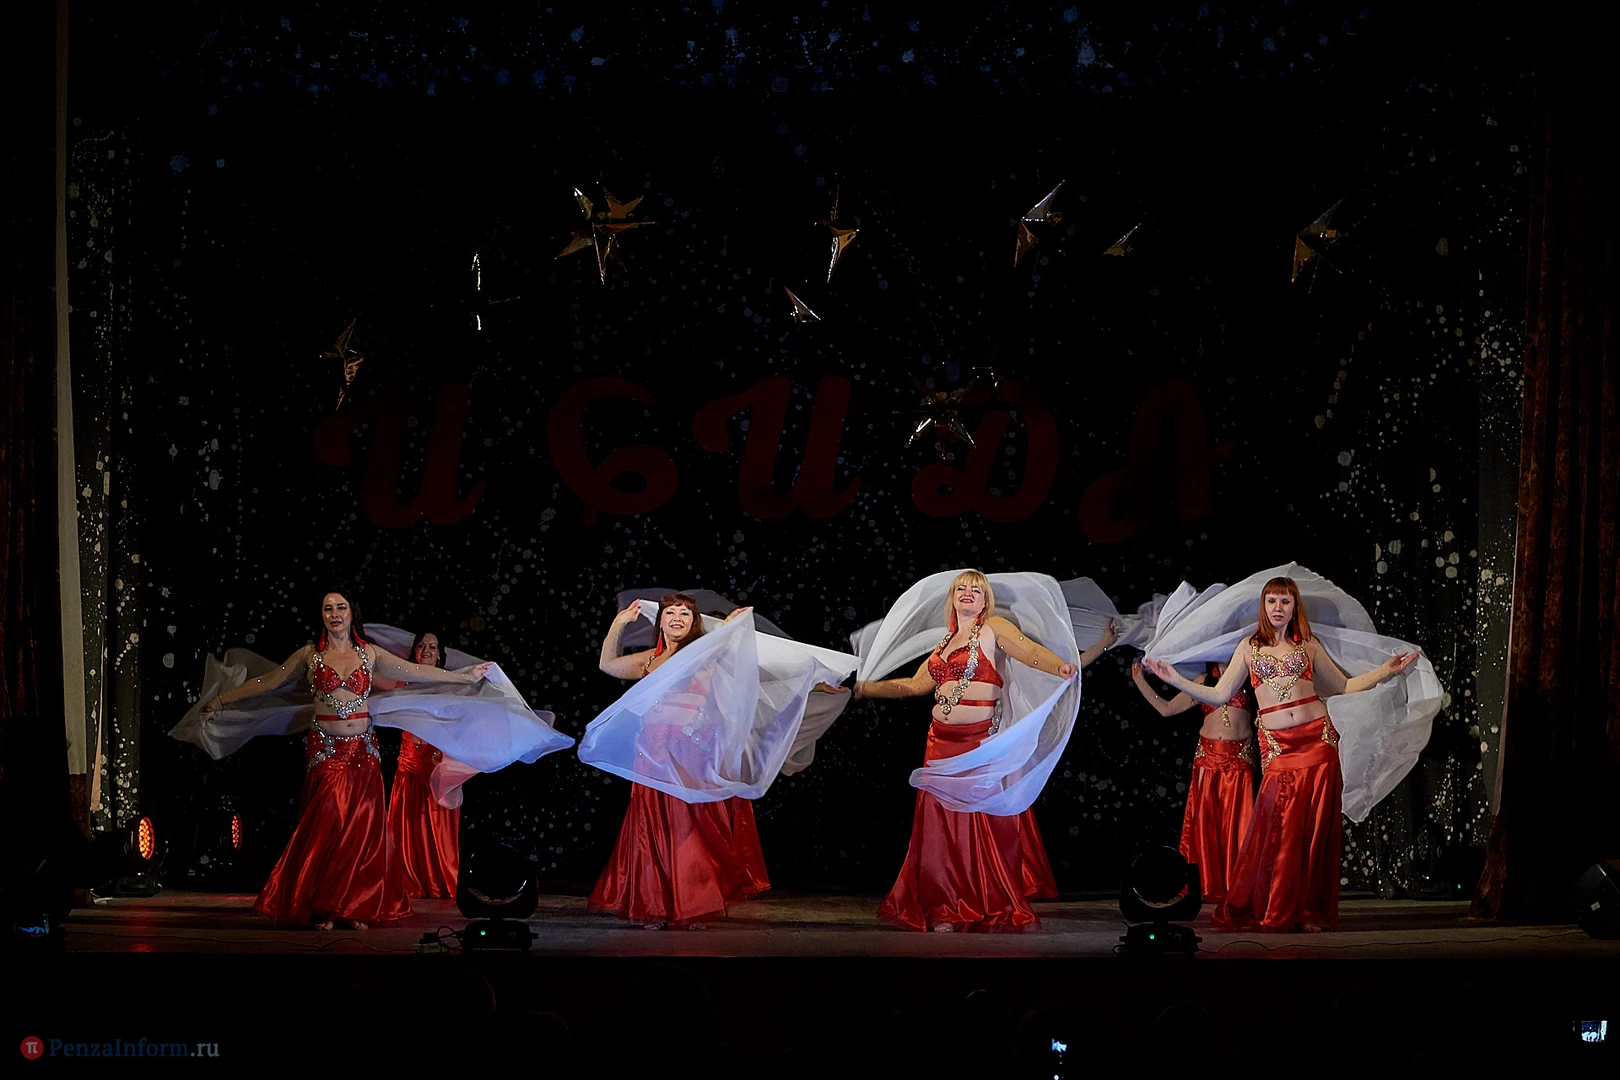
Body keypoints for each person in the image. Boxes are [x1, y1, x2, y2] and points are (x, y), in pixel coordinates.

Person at [199, 591, 491, 928]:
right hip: (326, 751)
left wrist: (465, 676)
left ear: (352, 614)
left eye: (341, 607)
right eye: (328, 608)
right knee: (328, 825)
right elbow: (268, 682)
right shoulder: (310, 655)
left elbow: (418, 671)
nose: (335, 613)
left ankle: (350, 908)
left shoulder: (369, 653)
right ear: (321, 615)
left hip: (363, 752)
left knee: (360, 834)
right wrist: (221, 701)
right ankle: (324, 906)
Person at [1144, 576, 1418, 932]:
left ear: (1294, 607)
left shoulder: (1309, 646)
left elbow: (1344, 686)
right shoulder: (1248, 648)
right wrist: (1174, 679)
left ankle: (1307, 911)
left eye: (1285, 601)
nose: (1278, 607)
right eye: (1271, 601)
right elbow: (1218, 694)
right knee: (1280, 831)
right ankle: (1276, 907)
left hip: (1318, 742)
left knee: (1313, 833)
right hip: (1279, 749)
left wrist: (1385, 670)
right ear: (1263, 606)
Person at [855, 570, 1083, 932]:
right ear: (952, 597)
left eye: (976, 590)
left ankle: (978, 902)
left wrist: (1059, 666)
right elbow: (913, 685)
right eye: (961, 588)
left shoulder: (994, 628)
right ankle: (945, 906)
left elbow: (1027, 650)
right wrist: (868, 688)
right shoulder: (944, 644)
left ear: (985, 600)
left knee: (979, 826)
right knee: (941, 831)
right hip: (939, 743)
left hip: (977, 743)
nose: (967, 593)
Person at [587, 594, 771, 929]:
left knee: (690, 830)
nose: (676, 617)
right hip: (652, 756)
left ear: (694, 622)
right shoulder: (649, 660)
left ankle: (695, 905)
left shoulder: (706, 655)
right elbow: (607, 664)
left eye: (685, 613)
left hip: (691, 757)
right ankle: (656, 906)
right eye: (670, 612)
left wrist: (727, 628)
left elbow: (749, 662)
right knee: (652, 830)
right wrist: (619, 623)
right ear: (660, 621)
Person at [1131, 659, 1255, 904]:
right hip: (1208, 762)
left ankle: (1239, 885)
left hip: (1239, 763)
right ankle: (1207, 883)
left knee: (1240, 826)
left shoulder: (1249, 678)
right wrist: (1139, 680)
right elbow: (1167, 708)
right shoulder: (1202, 681)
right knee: (1206, 826)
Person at [383, 631, 461, 899]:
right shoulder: (402, 683)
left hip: (435, 765)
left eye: (432, 647)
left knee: (436, 827)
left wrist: (446, 754)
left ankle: (440, 880)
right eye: (421, 646)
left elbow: (457, 723)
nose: (426, 650)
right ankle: (409, 879)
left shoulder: (448, 685)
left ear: (439, 654)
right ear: (414, 651)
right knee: (407, 829)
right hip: (407, 765)